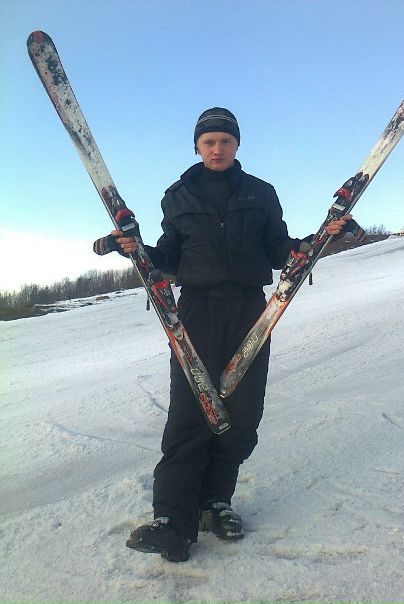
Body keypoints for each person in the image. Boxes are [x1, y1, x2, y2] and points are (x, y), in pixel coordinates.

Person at [97, 108, 351, 562]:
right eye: (209, 141)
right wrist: (133, 249)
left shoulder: (261, 193)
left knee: (241, 410)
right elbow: (168, 258)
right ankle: (173, 521)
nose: (217, 149)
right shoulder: (177, 196)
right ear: (197, 146)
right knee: (191, 408)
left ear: (237, 145)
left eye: (225, 141)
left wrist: (320, 239)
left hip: (252, 311)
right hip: (194, 311)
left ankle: (216, 502)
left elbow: (279, 249)